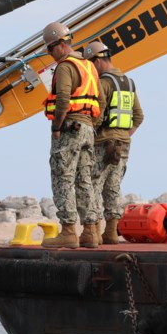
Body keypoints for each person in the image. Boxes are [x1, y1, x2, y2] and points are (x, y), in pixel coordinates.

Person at [41, 21, 102, 249]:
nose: (50, 54)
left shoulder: (65, 67)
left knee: (63, 176)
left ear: (59, 44)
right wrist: (90, 124)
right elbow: (101, 102)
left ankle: (68, 231)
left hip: (70, 128)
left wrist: (56, 127)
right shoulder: (89, 67)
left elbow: (63, 99)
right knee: (84, 180)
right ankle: (90, 232)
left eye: (49, 49)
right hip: (88, 129)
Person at [82, 40, 144, 244]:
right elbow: (139, 116)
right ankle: (110, 233)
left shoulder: (104, 83)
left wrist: (90, 132)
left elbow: (98, 114)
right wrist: (123, 135)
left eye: (90, 63)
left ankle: (91, 232)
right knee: (113, 187)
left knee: (91, 184)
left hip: (103, 142)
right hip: (123, 143)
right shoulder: (129, 82)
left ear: (98, 60)